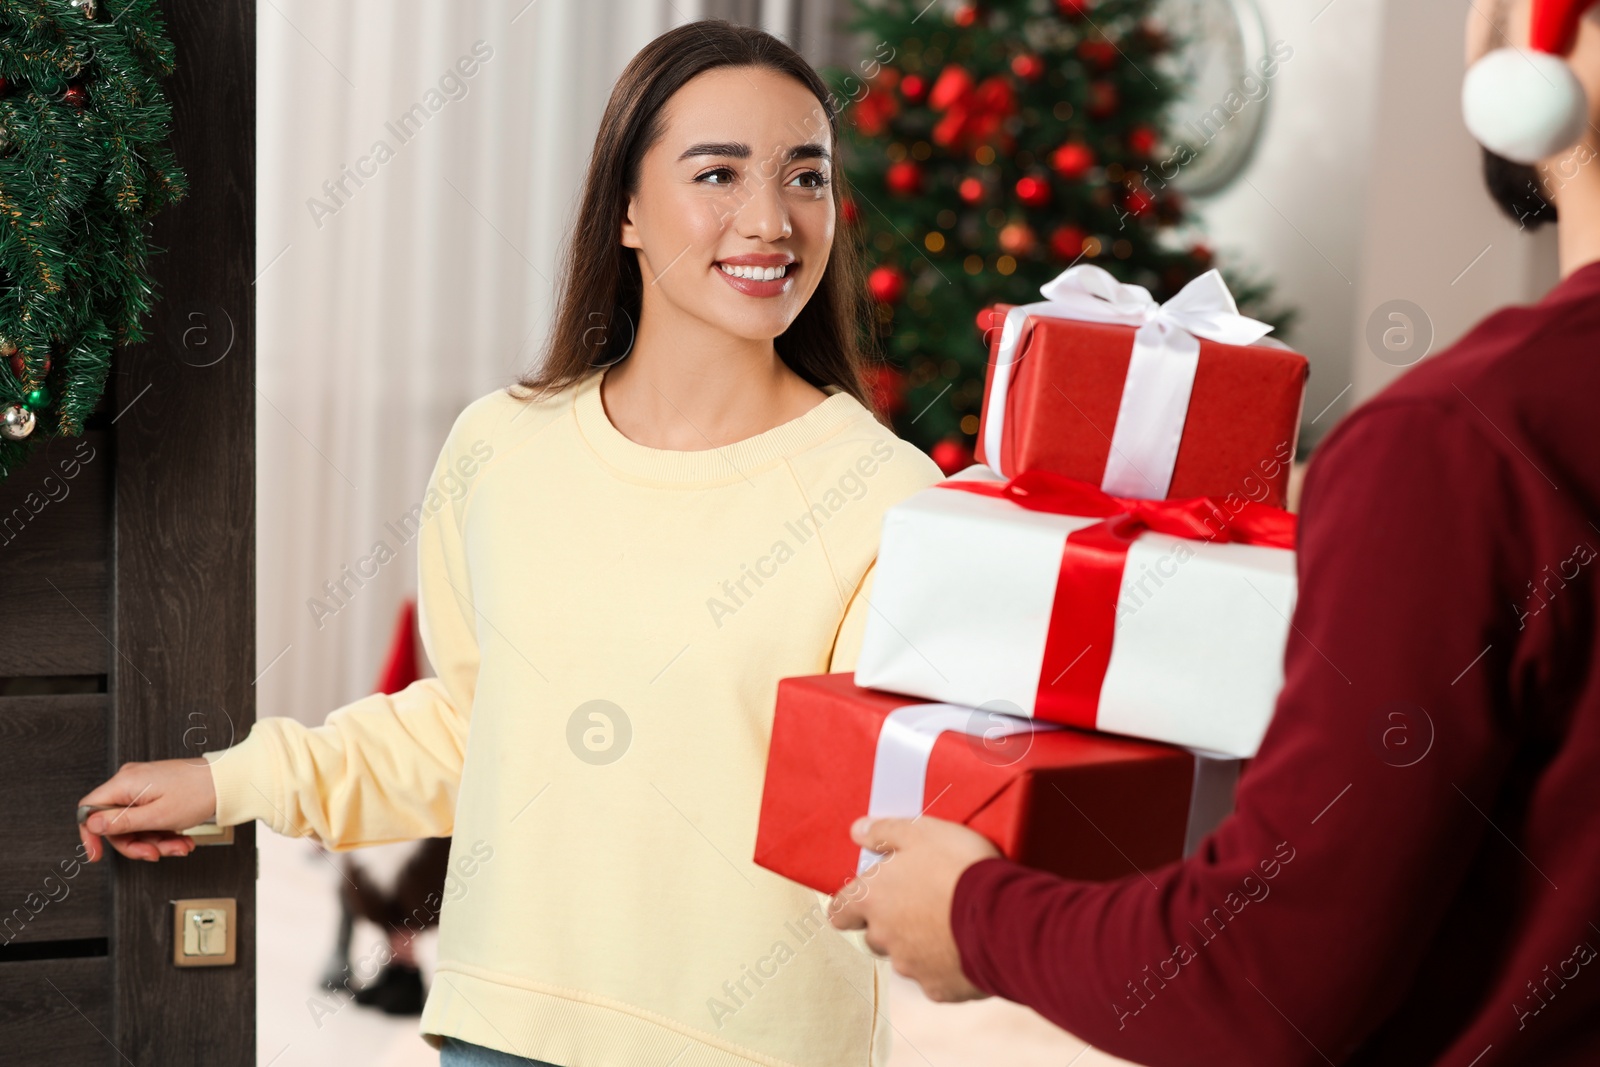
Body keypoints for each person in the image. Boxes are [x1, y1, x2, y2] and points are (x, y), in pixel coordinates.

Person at [76, 20, 943, 1067]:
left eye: (806, 177)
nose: (770, 218)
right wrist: (234, 781)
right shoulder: (502, 447)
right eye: (717, 172)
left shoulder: (885, 493)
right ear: (624, 207)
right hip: (503, 1029)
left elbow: (883, 807)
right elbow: (471, 728)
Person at [831, 1, 1600, 1064]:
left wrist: (973, 915)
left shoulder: (1459, 444)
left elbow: (1262, 981)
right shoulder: (1458, 456)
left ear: (1548, 28)